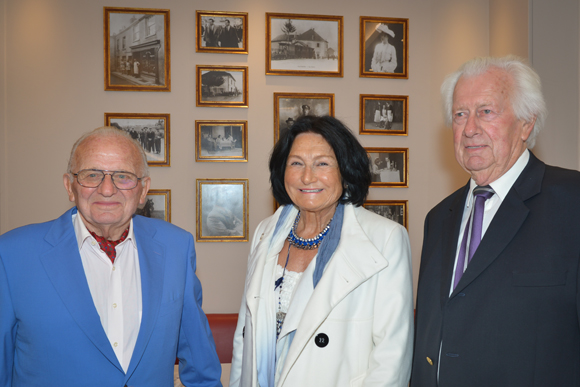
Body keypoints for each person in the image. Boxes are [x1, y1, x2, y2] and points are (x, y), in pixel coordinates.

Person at [0, 127, 221, 386]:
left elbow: (199, 363)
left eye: (123, 176)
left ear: (143, 190)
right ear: (70, 187)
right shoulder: (12, 254)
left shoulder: (176, 247)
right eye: (91, 175)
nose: (106, 189)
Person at [411, 56, 580, 387]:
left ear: (526, 123)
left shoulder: (572, 203)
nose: (469, 128)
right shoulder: (438, 218)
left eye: (486, 112)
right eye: (460, 115)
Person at [230, 115, 413, 387]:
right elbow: (245, 334)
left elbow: (392, 357)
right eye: (296, 163)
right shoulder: (265, 233)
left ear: (346, 171)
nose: (307, 176)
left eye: (322, 163)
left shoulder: (385, 238)